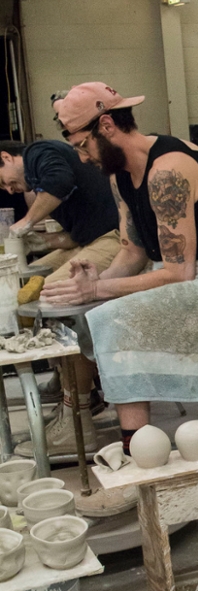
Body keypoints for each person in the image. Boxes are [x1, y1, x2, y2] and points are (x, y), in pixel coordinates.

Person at [49, 82, 198, 455]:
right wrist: (93, 283)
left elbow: (178, 272)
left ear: (106, 126)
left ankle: (139, 455)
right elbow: (133, 251)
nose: (84, 158)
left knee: (116, 320)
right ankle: (109, 431)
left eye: (83, 146)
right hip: (188, 276)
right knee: (91, 310)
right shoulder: (120, 175)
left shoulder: (168, 170)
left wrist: (100, 293)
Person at [0, 138, 121, 455]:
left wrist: (25, 224)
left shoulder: (40, 153)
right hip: (92, 240)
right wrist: (42, 242)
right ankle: (68, 377)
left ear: (5, 157)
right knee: (24, 278)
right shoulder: (45, 174)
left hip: (117, 239)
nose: (10, 190)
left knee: (52, 295)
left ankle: (76, 417)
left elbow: (59, 180)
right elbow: (76, 235)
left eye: (4, 181)